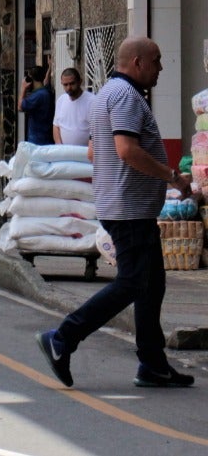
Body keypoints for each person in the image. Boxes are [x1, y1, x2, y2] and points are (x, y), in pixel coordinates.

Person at [35, 36, 195, 389]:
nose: (161, 68)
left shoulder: (107, 94)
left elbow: (96, 151)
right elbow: (126, 150)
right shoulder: (125, 96)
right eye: (156, 60)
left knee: (152, 285)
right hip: (128, 210)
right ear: (138, 62)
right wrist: (172, 177)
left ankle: (153, 364)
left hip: (125, 206)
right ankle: (63, 338)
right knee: (132, 283)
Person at [53, 67, 96, 147]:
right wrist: (59, 147)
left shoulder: (92, 101)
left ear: (80, 81)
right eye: (65, 85)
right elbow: (56, 126)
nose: (69, 88)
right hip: (63, 152)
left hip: (85, 152)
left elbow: (97, 130)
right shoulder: (61, 100)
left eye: (72, 83)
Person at [19, 64, 55, 145]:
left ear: (31, 79)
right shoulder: (46, 91)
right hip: (46, 137)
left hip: (36, 141)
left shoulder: (37, 96)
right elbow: (46, 81)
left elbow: (20, 107)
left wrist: (23, 89)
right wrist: (49, 68)